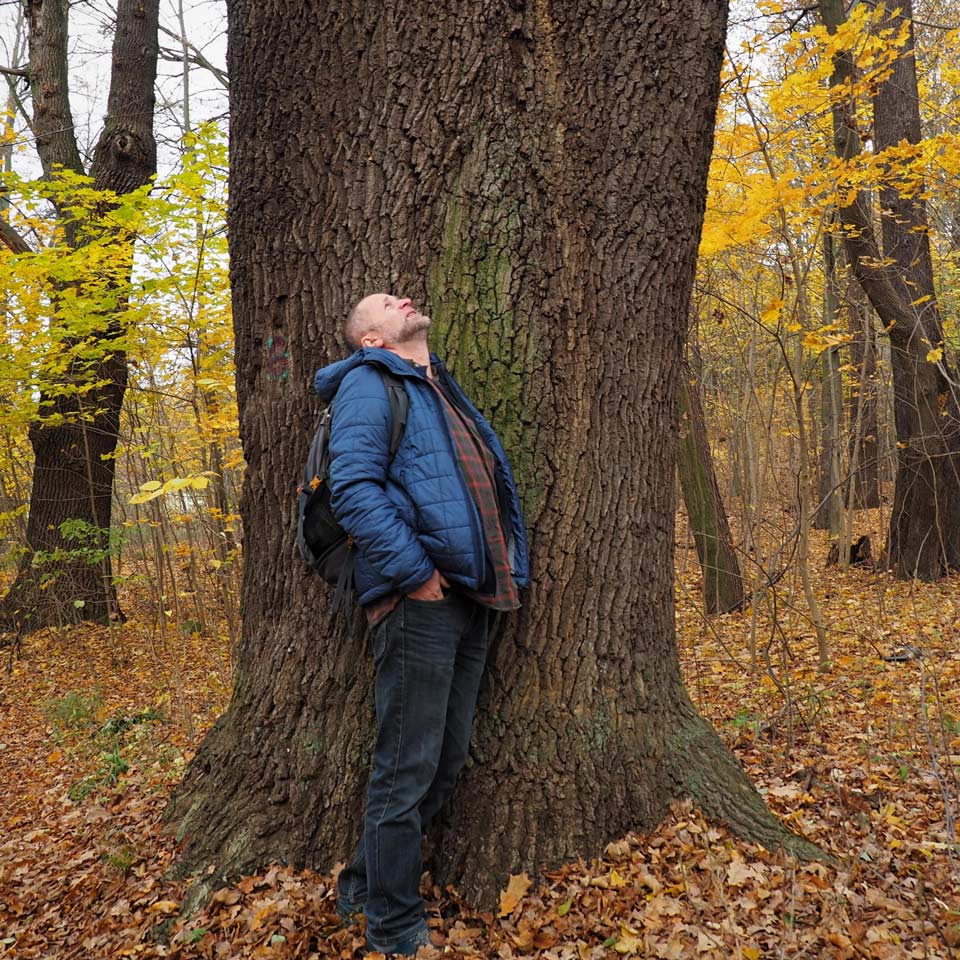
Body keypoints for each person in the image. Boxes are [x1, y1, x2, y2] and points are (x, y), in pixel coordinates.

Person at [312, 293, 530, 956]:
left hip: (471, 598)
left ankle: (359, 885)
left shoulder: (439, 390)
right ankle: (394, 928)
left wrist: (507, 573)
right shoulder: (370, 384)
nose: (401, 296)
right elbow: (352, 488)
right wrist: (417, 577)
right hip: (420, 602)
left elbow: (489, 486)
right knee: (406, 770)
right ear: (372, 338)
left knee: (444, 761)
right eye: (384, 302)